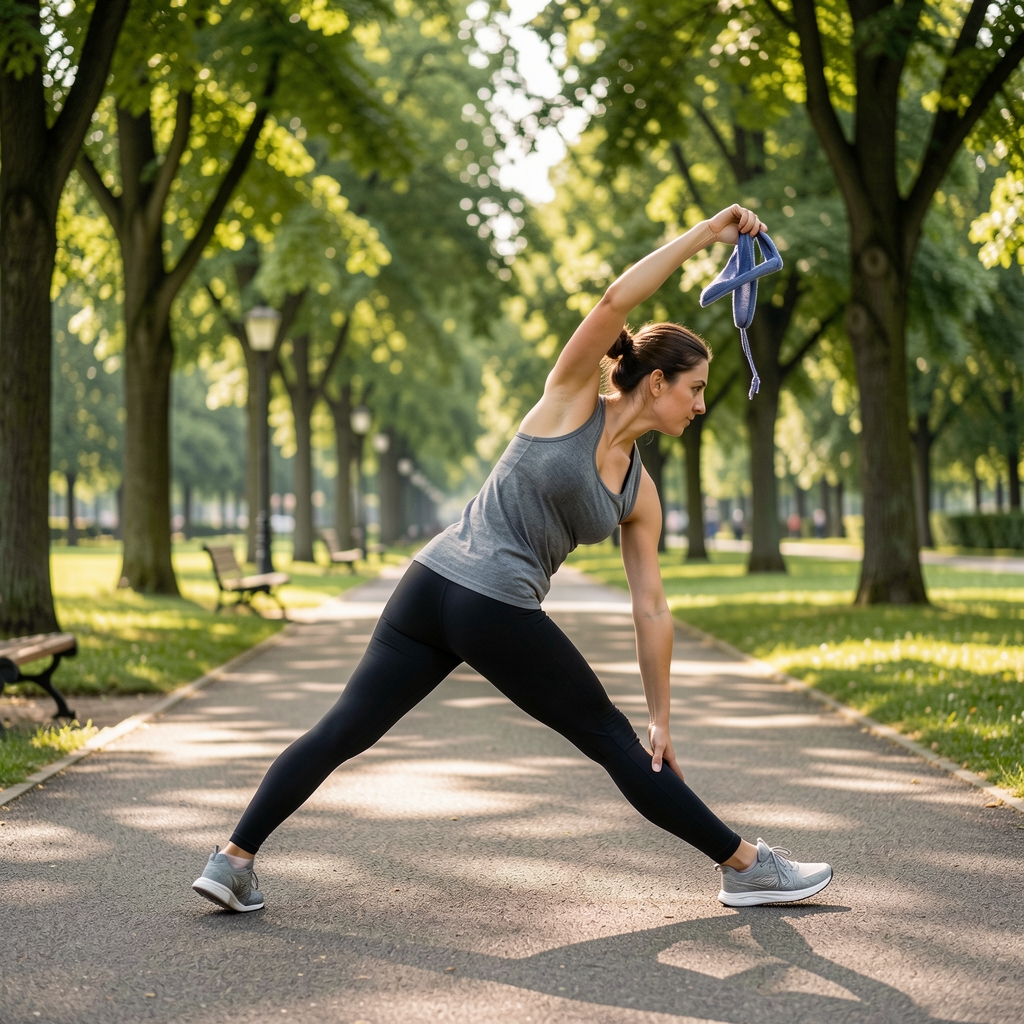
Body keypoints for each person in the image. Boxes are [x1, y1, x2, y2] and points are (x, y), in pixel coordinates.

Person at [192, 204, 832, 914]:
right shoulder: (570, 398)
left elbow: (651, 606)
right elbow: (615, 301)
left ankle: (232, 860)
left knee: (345, 729)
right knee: (608, 740)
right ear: (657, 382)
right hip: (484, 600)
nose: (702, 405)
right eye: (697, 388)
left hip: (432, 584)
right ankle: (747, 867)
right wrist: (708, 235)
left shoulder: (639, 492)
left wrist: (663, 716)